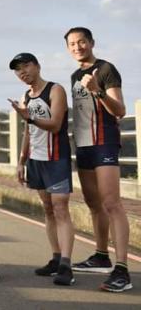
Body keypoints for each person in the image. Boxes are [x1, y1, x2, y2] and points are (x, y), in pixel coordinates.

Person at [65, 27, 132, 292]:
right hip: (83, 146)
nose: (77, 47)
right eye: (72, 44)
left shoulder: (105, 69)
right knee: (93, 204)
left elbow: (120, 110)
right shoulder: (74, 75)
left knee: (112, 203)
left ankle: (122, 270)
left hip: (104, 142)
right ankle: (101, 256)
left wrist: (98, 91)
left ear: (92, 43)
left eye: (81, 42)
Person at [8, 53, 75, 286]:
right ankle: (56, 258)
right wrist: (21, 160)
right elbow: (28, 131)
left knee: (60, 207)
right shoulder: (26, 96)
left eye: (26, 66)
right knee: (47, 208)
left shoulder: (55, 90)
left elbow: (55, 125)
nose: (22, 72)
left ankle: (66, 265)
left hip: (56, 159)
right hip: (35, 159)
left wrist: (29, 118)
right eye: (17, 69)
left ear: (37, 66)